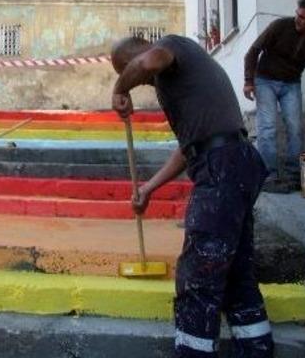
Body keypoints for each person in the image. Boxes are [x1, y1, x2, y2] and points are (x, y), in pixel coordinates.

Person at [112, 35, 273, 358]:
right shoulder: (185, 81)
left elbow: (149, 61)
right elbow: (190, 149)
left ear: (138, 52)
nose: (140, 81)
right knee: (236, 272)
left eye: (128, 69)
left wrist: (119, 88)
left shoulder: (172, 48)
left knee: (198, 276)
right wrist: (147, 189)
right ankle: (257, 349)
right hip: (234, 160)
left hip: (223, 167)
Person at [243, 0, 305, 193]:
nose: (297, 19)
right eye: (297, 14)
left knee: (295, 128)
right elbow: (253, 51)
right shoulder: (280, 26)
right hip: (264, 80)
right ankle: (268, 177)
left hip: (291, 84)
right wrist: (249, 81)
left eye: (303, 17)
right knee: (267, 127)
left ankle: (294, 177)